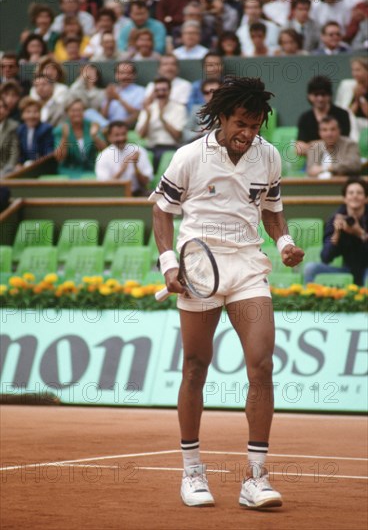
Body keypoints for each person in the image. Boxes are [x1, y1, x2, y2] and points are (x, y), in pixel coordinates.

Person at [149, 77, 304, 509]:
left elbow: (272, 209)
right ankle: (192, 472)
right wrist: (169, 263)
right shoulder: (189, 157)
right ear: (222, 116)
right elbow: (161, 210)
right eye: (241, 123)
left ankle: (256, 477)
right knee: (196, 366)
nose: (248, 134)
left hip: (247, 268)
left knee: (262, 364)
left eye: (255, 126)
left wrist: (285, 243)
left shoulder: (268, 156)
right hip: (199, 267)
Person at [304, 177, 368, 285]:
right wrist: (336, 234)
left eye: (359, 193)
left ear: (366, 198)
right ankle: (308, 300)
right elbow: (325, 258)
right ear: (345, 198)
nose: (355, 196)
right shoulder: (335, 219)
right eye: (351, 193)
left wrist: (360, 233)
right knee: (310, 268)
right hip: (347, 270)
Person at [135, 77, 188, 172]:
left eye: (164, 90)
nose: (161, 93)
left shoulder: (179, 108)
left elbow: (178, 136)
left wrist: (162, 118)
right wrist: (148, 117)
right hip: (151, 147)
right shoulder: (148, 109)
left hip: (170, 147)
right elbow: (141, 135)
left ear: (170, 91)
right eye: (157, 90)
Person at [296, 75, 352, 156]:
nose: (320, 98)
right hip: (313, 161)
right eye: (316, 94)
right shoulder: (305, 118)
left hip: (338, 159)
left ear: (329, 95)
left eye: (323, 94)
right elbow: (299, 148)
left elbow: (342, 142)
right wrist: (324, 144)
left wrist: (312, 145)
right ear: (309, 96)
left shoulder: (342, 114)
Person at [95, 120, 153, 195]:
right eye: (117, 135)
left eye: (123, 134)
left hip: (137, 193)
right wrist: (122, 170)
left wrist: (135, 166)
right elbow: (105, 186)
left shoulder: (138, 151)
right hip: (113, 195)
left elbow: (145, 183)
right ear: (109, 137)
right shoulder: (103, 156)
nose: (121, 138)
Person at [54, 96, 107, 177]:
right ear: (67, 112)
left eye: (80, 110)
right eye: (73, 110)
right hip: (69, 171)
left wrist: (94, 136)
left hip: (91, 171)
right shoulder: (60, 130)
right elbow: (59, 158)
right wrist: (64, 138)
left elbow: (105, 151)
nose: (77, 113)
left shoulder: (92, 125)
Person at [101, 60, 145, 126]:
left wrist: (118, 98)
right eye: (121, 73)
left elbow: (137, 114)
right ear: (116, 75)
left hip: (127, 127)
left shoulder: (140, 90)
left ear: (134, 75)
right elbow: (103, 117)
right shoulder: (112, 90)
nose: (124, 76)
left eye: (128, 73)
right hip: (107, 126)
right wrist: (108, 100)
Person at [16, 97, 55, 167]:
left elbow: (49, 154)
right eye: (28, 112)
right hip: (25, 169)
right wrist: (19, 164)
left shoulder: (46, 129)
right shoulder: (21, 130)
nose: (32, 116)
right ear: (22, 115)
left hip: (42, 167)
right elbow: (20, 154)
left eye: (35, 112)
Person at [335, 56, 368, 137]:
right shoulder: (346, 85)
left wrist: (361, 98)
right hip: (352, 126)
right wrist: (357, 99)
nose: (354, 73)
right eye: (353, 70)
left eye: (358, 70)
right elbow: (345, 115)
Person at [182, 78, 220, 143]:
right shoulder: (197, 109)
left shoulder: (231, 110)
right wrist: (199, 134)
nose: (211, 95)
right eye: (206, 92)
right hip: (199, 144)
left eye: (215, 92)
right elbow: (186, 132)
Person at [0, 97, 19, 177]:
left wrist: (8, 170)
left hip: (4, 170)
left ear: (7, 110)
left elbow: (14, 152)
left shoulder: (13, 126)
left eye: (1, 107)